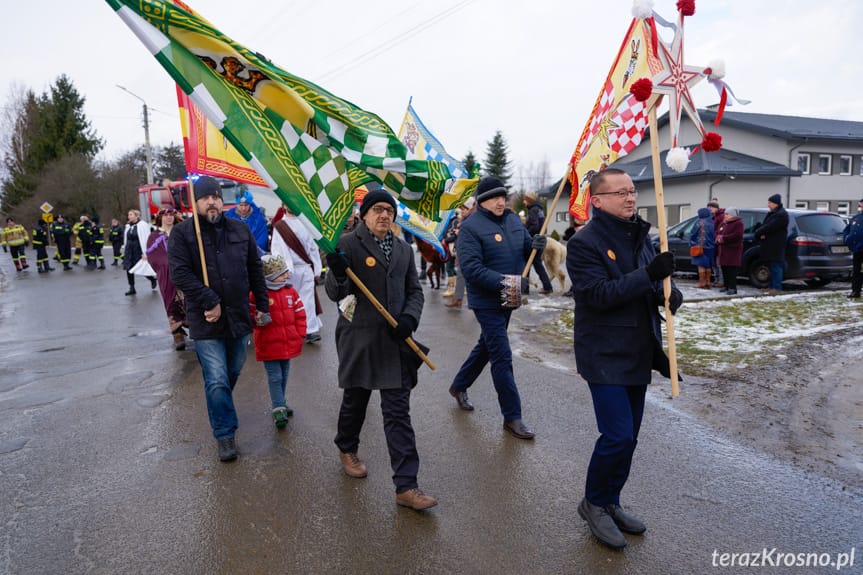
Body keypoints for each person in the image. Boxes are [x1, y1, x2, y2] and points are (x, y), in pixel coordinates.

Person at [565, 168, 682, 550]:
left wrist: (669, 292)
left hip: (638, 350)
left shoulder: (642, 237)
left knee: (629, 438)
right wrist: (648, 274)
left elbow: (652, 284)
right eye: (620, 193)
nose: (630, 198)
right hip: (603, 352)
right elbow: (597, 295)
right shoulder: (585, 243)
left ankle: (611, 501)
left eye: (632, 191)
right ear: (597, 201)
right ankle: (594, 502)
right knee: (616, 435)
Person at [324, 189, 436, 511]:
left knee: (398, 414)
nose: (384, 215)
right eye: (377, 210)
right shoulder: (346, 244)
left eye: (389, 210)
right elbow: (336, 294)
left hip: (395, 342)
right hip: (359, 338)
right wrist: (336, 270)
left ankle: (406, 486)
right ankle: (346, 446)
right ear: (364, 213)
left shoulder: (402, 249)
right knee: (355, 401)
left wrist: (410, 319)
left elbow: (415, 291)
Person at [168, 176, 270, 462]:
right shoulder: (183, 234)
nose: (211, 201)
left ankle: (220, 406)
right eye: (205, 198)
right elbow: (180, 275)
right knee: (216, 379)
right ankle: (225, 434)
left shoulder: (239, 229)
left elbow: (254, 269)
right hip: (206, 320)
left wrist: (262, 305)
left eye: (215, 196)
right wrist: (209, 300)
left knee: (232, 372)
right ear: (195, 202)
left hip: (238, 316)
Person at [448, 176, 546, 440]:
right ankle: (512, 417)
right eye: (494, 197)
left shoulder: (514, 220)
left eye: (503, 196)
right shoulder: (470, 228)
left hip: (510, 297)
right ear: (482, 201)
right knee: (501, 354)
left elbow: (526, 250)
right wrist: (508, 281)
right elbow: (472, 269)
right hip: (486, 300)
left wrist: (537, 246)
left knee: (487, 346)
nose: (500, 201)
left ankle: (459, 385)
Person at [251, 253, 307, 428]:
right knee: (275, 377)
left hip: (287, 342)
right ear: (272, 275)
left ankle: (281, 401)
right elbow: (250, 314)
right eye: (283, 273)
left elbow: (300, 313)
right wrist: (257, 319)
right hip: (268, 344)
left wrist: (300, 333)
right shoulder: (257, 294)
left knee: (284, 374)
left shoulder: (290, 291)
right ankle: (278, 407)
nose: (287, 276)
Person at [271, 205, 324, 343]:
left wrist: (317, 268)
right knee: (291, 301)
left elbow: (313, 248)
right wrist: (285, 270)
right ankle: (292, 329)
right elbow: (278, 250)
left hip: (305, 268)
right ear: (283, 205)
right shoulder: (280, 226)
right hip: (290, 270)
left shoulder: (306, 223)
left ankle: (310, 330)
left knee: (308, 300)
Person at [146, 208, 188, 350]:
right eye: (166, 215)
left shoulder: (182, 232)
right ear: (161, 218)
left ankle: (194, 326)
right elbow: (153, 256)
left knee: (189, 299)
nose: (169, 218)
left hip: (185, 271)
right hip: (166, 274)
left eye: (171, 215)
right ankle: (177, 334)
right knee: (171, 302)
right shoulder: (154, 236)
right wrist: (168, 264)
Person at [444, 197, 477, 309]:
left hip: (470, 253)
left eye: (464, 208)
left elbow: (474, 234)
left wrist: (461, 232)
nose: (462, 211)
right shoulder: (466, 218)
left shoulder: (472, 219)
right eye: (461, 209)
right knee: (461, 276)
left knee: (466, 276)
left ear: (469, 208)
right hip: (464, 252)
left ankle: (462, 300)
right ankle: (458, 299)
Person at [755, 194, 789, 295]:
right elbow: (766, 225)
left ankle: (777, 287)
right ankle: (771, 286)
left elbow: (770, 226)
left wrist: (759, 232)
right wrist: (761, 232)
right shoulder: (773, 213)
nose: (768, 204)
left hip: (776, 245)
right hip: (770, 245)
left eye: (770, 202)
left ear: (775, 203)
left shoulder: (781, 215)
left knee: (776, 266)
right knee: (771, 266)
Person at [523, 191, 554, 294]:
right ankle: (547, 287)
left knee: (526, 264)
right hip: (540, 240)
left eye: (525, 200)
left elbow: (535, 226)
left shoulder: (533, 210)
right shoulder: (539, 209)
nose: (523, 202)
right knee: (537, 264)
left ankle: (525, 288)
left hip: (534, 241)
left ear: (529, 200)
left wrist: (525, 232)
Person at [122, 210, 156, 295]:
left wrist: (145, 252)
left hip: (138, 250)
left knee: (141, 268)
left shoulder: (142, 225)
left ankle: (152, 279)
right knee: (128, 269)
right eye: (128, 214)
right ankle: (132, 287)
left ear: (137, 216)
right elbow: (126, 239)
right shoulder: (128, 226)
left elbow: (146, 239)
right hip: (129, 250)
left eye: (131, 214)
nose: (129, 216)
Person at [715, 207, 744, 295]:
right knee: (724, 268)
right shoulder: (724, 223)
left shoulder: (738, 223)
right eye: (725, 214)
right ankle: (726, 285)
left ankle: (732, 287)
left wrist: (724, 238)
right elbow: (717, 232)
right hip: (723, 250)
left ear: (732, 215)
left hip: (733, 250)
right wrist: (718, 237)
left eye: (727, 214)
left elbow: (737, 235)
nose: (725, 216)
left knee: (731, 269)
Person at [689, 207, 715, 289]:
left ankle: (701, 283)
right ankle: (708, 282)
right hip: (711, 247)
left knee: (701, 265)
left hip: (700, 246)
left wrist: (692, 243)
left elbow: (693, 234)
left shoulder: (699, 222)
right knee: (708, 265)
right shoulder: (712, 222)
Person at [843, 198, 863, 299]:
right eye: (861, 204)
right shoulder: (856, 218)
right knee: (856, 271)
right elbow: (847, 230)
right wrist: (847, 239)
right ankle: (855, 291)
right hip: (857, 249)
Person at [707, 200, 725, 287]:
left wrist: (714, 236)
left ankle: (721, 281)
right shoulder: (712, 217)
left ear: (716, 208)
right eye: (708, 207)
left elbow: (719, 230)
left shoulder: (721, 217)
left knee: (718, 263)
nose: (710, 209)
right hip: (712, 243)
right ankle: (716, 280)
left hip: (717, 244)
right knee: (714, 263)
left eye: (711, 207)